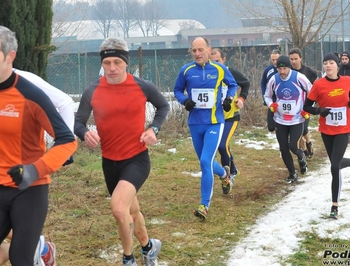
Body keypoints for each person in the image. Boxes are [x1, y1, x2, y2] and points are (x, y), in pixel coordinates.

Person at [74, 38, 169, 266]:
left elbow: (163, 106)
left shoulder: (141, 85)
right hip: (109, 162)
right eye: (107, 63)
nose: (112, 68)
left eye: (117, 62)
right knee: (131, 211)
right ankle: (149, 247)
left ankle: (128, 259)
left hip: (136, 159)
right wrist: (85, 133)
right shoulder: (93, 90)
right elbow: (78, 121)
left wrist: (154, 128)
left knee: (118, 208)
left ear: (126, 63)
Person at [0, 25, 77, 265]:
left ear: (10, 56)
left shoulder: (30, 94)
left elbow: (67, 140)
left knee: (20, 258)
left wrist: (34, 170)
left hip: (29, 188)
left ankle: (42, 253)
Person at [174, 37, 237, 220]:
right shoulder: (186, 70)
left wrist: (228, 99)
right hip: (195, 123)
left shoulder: (219, 69)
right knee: (206, 161)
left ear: (208, 50)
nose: (197, 54)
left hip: (214, 122)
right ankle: (225, 174)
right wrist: (184, 100)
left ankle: (204, 205)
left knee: (205, 161)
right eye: (194, 51)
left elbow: (232, 84)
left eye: (200, 50)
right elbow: (177, 90)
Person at [303, 52, 350, 219]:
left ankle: (334, 206)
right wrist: (319, 111)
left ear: (337, 65)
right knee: (334, 163)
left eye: (331, 62)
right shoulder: (318, 84)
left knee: (334, 167)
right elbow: (307, 106)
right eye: (325, 63)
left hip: (343, 129)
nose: (328, 65)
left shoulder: (346, 81)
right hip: (327, 130)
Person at [264, 55, 312, 183]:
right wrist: (271, 105)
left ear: (289, 67)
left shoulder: (299, 78)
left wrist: (308, 109)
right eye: (279, 69)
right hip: (280, 119)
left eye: (285, 69)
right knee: (283, 148)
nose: (282, 72)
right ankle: (292, 173)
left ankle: (301, 156)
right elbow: (267, 96)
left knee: (293, 146)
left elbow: (312, 93)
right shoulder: (274, 80)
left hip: (297, 119)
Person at [210, 48, 250, 182]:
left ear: (224, 59)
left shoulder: (230, 72)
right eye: (212, 61)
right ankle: (233, 170)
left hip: (231, 116)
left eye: (218, 61)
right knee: (222, 146)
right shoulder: (209, 74)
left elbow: (245, 84)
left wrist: (241, 99)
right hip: (216, 117)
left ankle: (228, 175)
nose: (215, 64)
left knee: (222, 145)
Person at [288, 48, 318, 158]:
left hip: (306, 105)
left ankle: (309, 142)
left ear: (301, 58)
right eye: (291, 59)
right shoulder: (288, 72)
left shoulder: (309, 72)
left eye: (296, 59)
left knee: (304, 129)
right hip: (292, 107)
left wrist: (315, 102)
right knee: (298, 131)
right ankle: (304, 150)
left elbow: (316, 87)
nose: (293, 61)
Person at [260, 49, 281, 132]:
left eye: (277, 59)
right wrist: (265, 97)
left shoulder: (287, 69)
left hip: (284, 101)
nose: (275, 62)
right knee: (271, 127)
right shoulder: (268, 70)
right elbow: (262, 83)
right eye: (273, 60)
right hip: (272, 102)